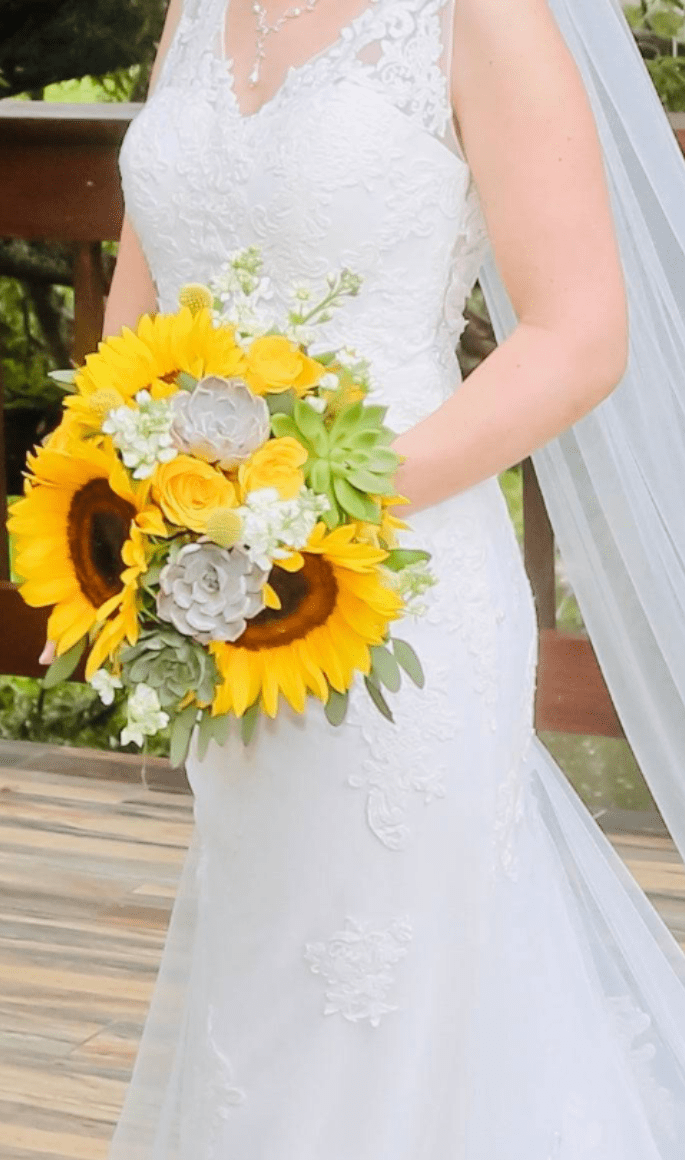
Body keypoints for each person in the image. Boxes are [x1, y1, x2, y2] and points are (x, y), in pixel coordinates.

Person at [87, 1, 683, 1156]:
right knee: (265, 997)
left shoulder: (483, 17)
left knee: (385, 1001)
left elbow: (580, 334)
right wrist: (128, 511)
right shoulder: (196, 11)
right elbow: (136, 303)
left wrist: (309, 510)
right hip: (215, 592)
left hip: (400, 593)